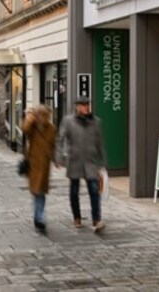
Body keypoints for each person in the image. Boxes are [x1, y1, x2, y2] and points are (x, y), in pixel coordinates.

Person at [56, 96, 107, 233]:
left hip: (91, 161)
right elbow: (60, 139)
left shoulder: (96, 122)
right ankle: (77, 217)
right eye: (83, 105)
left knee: (94, 191)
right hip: (75, 160)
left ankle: (96, 219)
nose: (86, 107)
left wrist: (102, 162)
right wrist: (59, 157)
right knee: (74, 191)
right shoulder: (68, 121)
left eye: (88, 104)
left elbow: (99, 143)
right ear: (77, 107)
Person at [22, 104, 57, 234]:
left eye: (45, 115)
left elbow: (53, 145)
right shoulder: (33, 127)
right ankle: (39, 218)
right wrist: (30, 116)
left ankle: (39, 218)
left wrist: (55, 159)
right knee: (37, 192)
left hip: (45, 165)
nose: (43, 118)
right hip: (34, 163)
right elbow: (25, 129)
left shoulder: (52, 128)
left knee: (40, 192)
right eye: (40, 115)